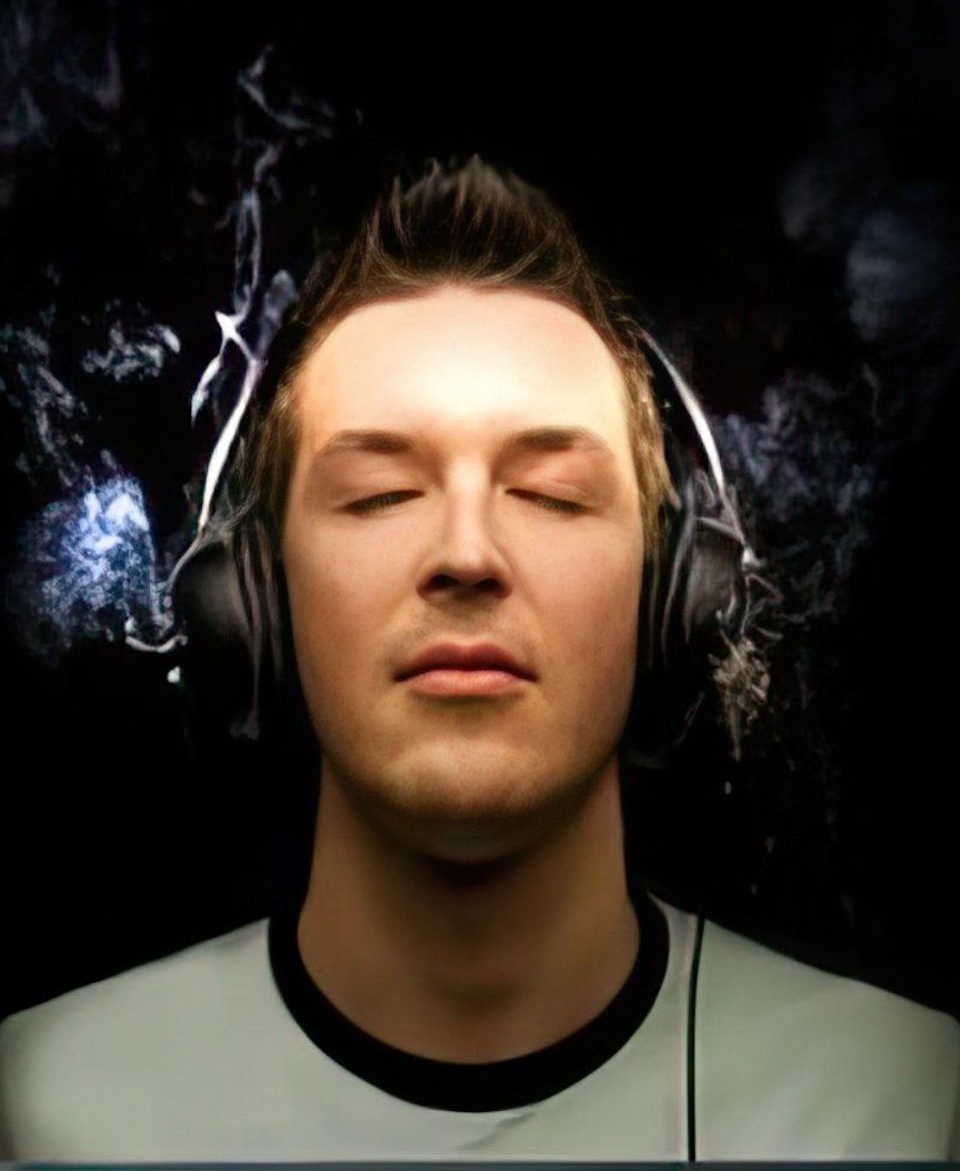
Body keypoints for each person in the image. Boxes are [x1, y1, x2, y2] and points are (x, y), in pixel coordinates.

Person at [1, 156, 957, 1162]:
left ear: (676, 596)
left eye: (551, 495)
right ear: (256, 600)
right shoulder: (47, 1107)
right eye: (379, 494)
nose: (467, 553)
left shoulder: (900, 1104)